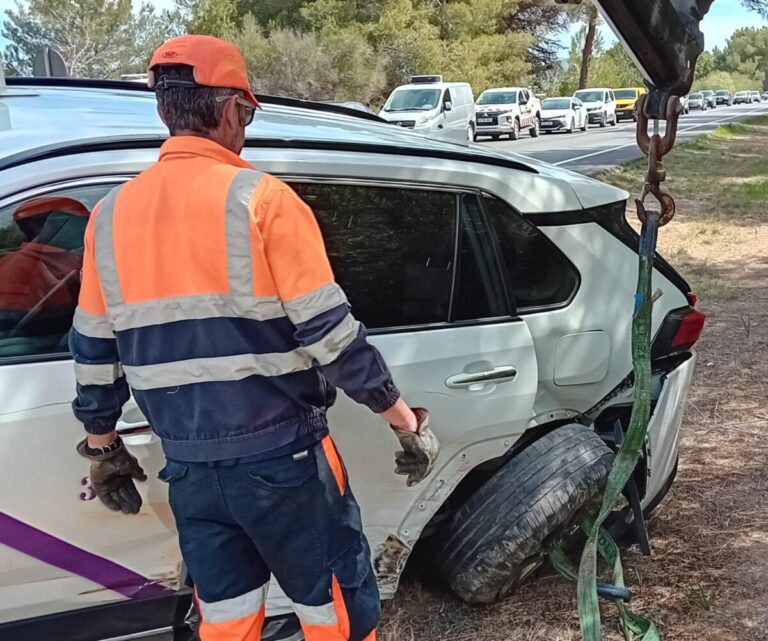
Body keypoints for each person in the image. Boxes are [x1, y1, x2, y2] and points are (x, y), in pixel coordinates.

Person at [69, 35, 439, 641]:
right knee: (335, 609)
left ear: (167, 110)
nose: (245, 126)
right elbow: (330, 334)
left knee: (227, 613)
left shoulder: (109, 216)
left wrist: (104, 448)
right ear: (228, 108)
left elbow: (92, 351)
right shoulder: (263, 201)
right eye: (247, 112)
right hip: (284, 461)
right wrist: (404, 422)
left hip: (187, 466)